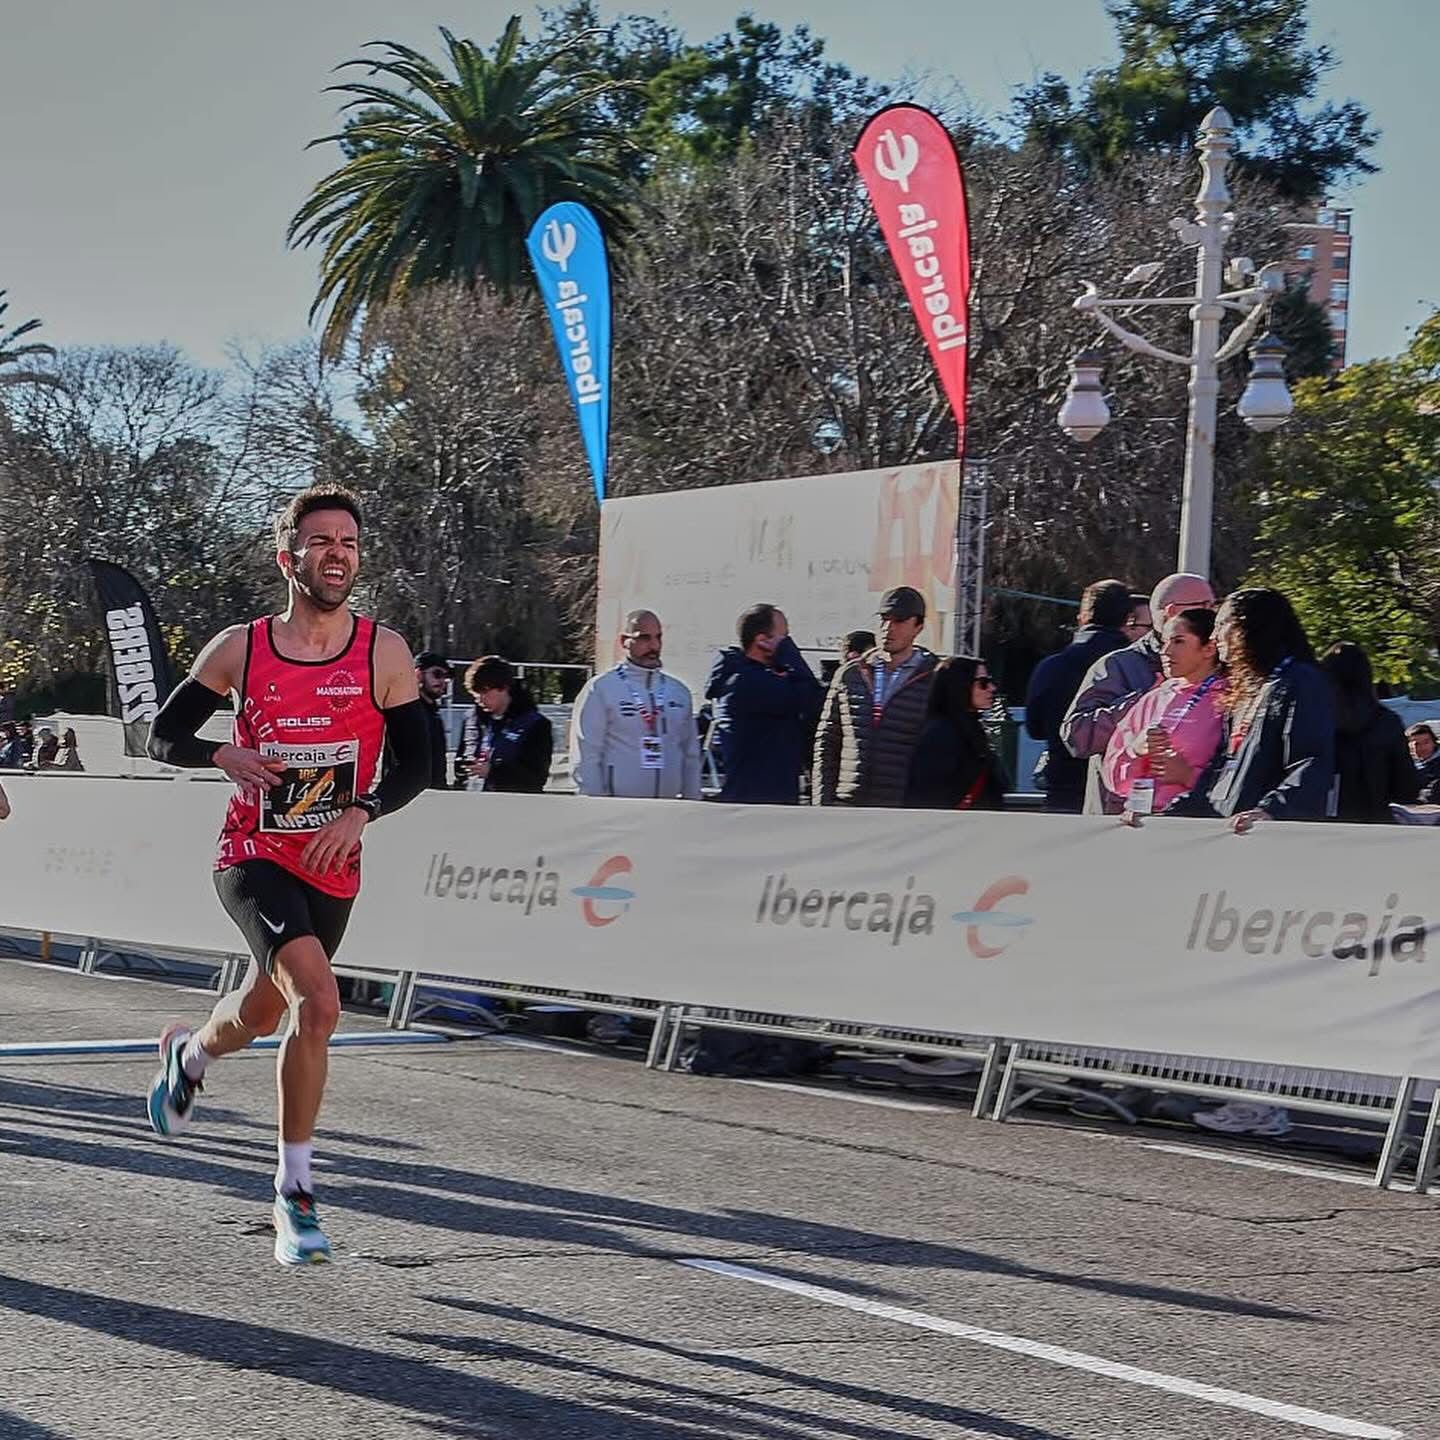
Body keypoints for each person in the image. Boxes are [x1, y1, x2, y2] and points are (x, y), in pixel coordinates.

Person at [144, 482, 430, 1266]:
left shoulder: (386, 653)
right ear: (288, 556)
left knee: (269, 1011)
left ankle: (191, 1056)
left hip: (331, 861)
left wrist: (360, 811)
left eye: (348, 542)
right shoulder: (242, 647)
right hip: (253, 856)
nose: (337, 553)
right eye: (321, 541)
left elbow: (420, 764)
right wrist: (221, 752)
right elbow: (162, 736)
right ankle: (293, 1193)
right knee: (322, 1003)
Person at [1166, 588, 1335, 833]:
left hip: (1266, 836)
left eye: (1221, 624)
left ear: (1247, 628)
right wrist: (1168, 815)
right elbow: (1219, 769)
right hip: (1231, 827)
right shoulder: (1248, 688)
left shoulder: (1301, 681)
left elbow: (1310, 762)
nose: (1214, 636)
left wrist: (1272, 811)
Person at [1062, 572, 1218, 815]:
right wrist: (1139, 709)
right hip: (1117, 815)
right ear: (1172, 611)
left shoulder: (1226, 683)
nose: (1214, 612)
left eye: (1214, 604)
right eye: (1205, 605)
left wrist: (1190, 776)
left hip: (1193, 821)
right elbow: (1076, 735)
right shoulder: (1118, 665)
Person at [813, 586, 938, 808]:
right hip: (848, 803)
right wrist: (822, 803)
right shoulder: (851, 674)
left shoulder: (933, 677)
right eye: (884, 619)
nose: (888, 628)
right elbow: (827, 741)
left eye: (899, 621)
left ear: (918, 626)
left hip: (903, 809)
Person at [1103, 609, 1226, 815]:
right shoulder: (1154, 698)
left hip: (1197, 825)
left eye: (1178, 641)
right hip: (1139, 821)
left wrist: (1189, 776)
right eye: (1164, 642)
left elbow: (1244, 777)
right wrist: (1135, 749)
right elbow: (1112, 776)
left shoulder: (1230, 700)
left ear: (1209, 648)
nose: (1166, 651)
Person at [1023, 579, 1132, 812]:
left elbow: (1034, 728)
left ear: (1082, 617)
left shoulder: (1051, 667)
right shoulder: (1136, 668)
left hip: (1062, 790)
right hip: (1116, 793)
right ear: (1127, 620)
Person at [571, 610, 702, 799]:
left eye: (658, 637)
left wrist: (693, 801)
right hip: (618, 810)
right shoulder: (601, 689)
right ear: (624, 640)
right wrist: (593, 803)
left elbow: (690, 754)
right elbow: (586, 753)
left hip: (669, 809)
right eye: (644, 638)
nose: (654, 645)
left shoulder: (679, 691)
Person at [715, 603, 822, 805]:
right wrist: (792, 658)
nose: (789, 643)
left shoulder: (754, 677)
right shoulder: (746, 681)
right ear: (762, 641)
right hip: (756, 800)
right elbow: (811, 699)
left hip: (768, 796)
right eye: (785, 637)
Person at [1321, 642, 1417, 823]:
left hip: (1317, 824)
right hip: (1376, 823)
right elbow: (1407, 788)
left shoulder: (1313, 720)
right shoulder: (1388, 722)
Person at [904, 656, 1007, 810]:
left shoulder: (970, 726)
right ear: (960, 685)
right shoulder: (940, 733)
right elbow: (929, 796)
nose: (992, 688)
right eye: (983, 683)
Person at [456, 655, 554, 794]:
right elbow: (461, 764)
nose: (479, 699)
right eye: (475, 693)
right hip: (472, 803)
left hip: (513, 806)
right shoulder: (472, 719)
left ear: (504, 688)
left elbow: (536, 779)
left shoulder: (535, 725)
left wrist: (493, 772)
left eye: (485, 691)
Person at [415, 651, 453, 789]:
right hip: (413, 798)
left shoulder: (433, 713)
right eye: (437, 674)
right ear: (418, 674)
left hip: (434, 796)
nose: (442, 681)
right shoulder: (408, 712)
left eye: (446, 676)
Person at [1407, 723, 1440, 803]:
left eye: (1426, 742)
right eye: (1416, 744)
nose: (1422, 748)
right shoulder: (1407, 765)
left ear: (1434, 742)